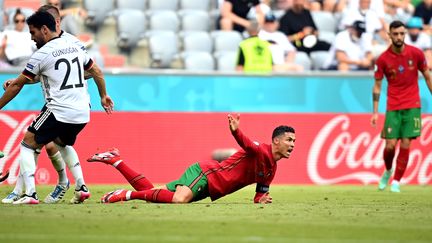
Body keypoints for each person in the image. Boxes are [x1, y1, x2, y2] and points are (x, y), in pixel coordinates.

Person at [0, 11, 114, 204]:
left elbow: (19, 85)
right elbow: (95, 70)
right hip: (82, 111)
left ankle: (30, 194)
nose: (32, 37)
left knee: (28, 143)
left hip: (59, 108)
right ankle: (81, 186)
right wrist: (103, 95)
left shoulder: (42, 53)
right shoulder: (74, 46)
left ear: (45, 29)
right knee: (60, 143)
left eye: (33, 32)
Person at [87, 114, 296, 204]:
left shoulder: (271, 170)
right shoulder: (261, 150)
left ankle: (115, 160)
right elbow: (246, 143)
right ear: (276, 141)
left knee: (153, 192)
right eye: (289, 140)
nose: (292, 144)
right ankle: (125, 195)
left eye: (294, 141)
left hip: (211, 189)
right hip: (205, 174)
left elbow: (259, 195)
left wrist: (263, 200)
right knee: (179, 199)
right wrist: (236, 130)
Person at [371, 20, 432, 193]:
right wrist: (375, 112)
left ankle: (396, 181)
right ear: (389, 35)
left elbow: (428, 77)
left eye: (402, 33)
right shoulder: (383, 59)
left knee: (406, 144)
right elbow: (377, 85)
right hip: (393, 106)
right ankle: (388, 169)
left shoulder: (416, 53)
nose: (399, 37)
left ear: (405, 34)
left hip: (413, 105)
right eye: (395, 34)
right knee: (390, 146)